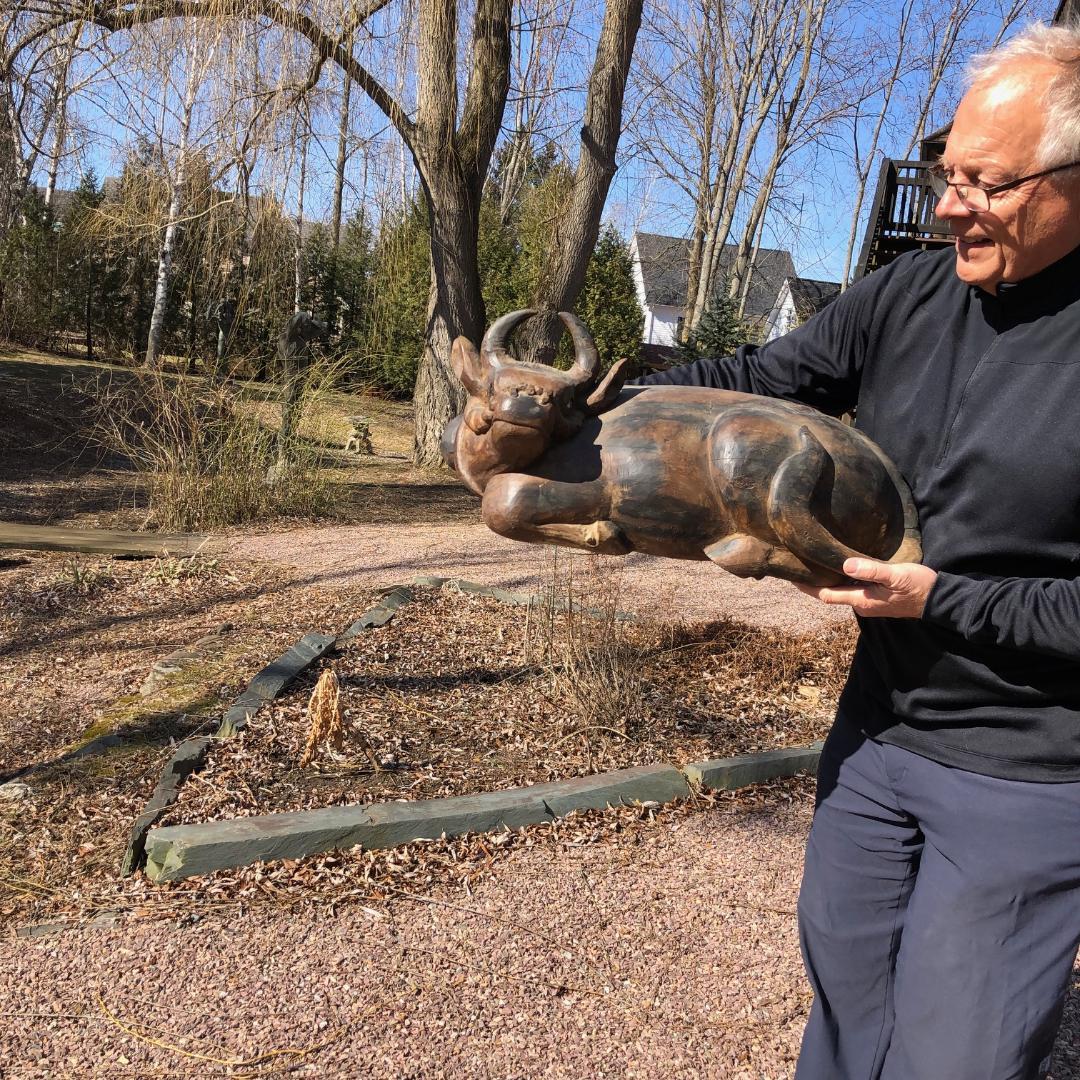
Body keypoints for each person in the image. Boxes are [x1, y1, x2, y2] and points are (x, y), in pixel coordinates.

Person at [639, 23, 1080, 1080]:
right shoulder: (912, 295)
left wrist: (946, 602)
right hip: (878, 735)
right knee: (844, 1014)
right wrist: (607, 400)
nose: (947, 203)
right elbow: (764, 381)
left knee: (955, 1055)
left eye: (987, 181)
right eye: (946, 168)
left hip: (1030, 772)